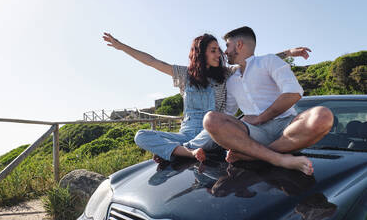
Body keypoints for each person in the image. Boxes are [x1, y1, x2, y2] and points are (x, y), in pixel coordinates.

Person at [102, 32, 309, 164]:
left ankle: (178, 153)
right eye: (213, 51)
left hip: (211, 133)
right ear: (200, 53)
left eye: (219, 51)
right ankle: (184, 151)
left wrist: (289, 52)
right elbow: (152, 61)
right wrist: (122, 47)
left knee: (213, 129)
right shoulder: (184, 75)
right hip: (186, 134)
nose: (218, 54)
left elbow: (254, 61)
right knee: (141, 135)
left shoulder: (227, 74)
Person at [202, 26, 334, 175]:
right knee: (210, 119)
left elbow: (293, 93)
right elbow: (227, 114)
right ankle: (278, 159)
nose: (224, 52)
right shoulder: (231, 81)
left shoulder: (269, 61)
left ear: (239, 45)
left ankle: (253, 156)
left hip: (288, 130)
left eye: (227, 46)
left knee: (323, 115)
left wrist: (260, 118)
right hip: (253, 135)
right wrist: (197, 145)